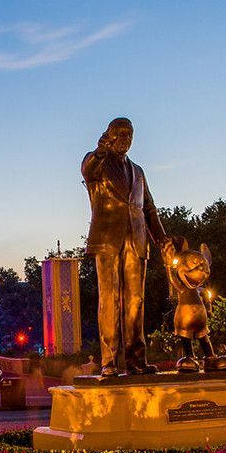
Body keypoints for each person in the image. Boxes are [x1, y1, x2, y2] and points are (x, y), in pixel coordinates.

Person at [81, 117, 165, 376]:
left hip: (136, 240)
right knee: (110, 300)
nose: (126, 139)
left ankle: (136, 360)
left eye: (130, 135)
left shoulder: (138, 171)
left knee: (136, 301)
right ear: (110, 136)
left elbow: (148, 207)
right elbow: (87, 169)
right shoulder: (98, 164)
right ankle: (108, 362)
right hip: (108, 239)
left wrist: (161, 239)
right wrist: (100, 151)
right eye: (121, 134)